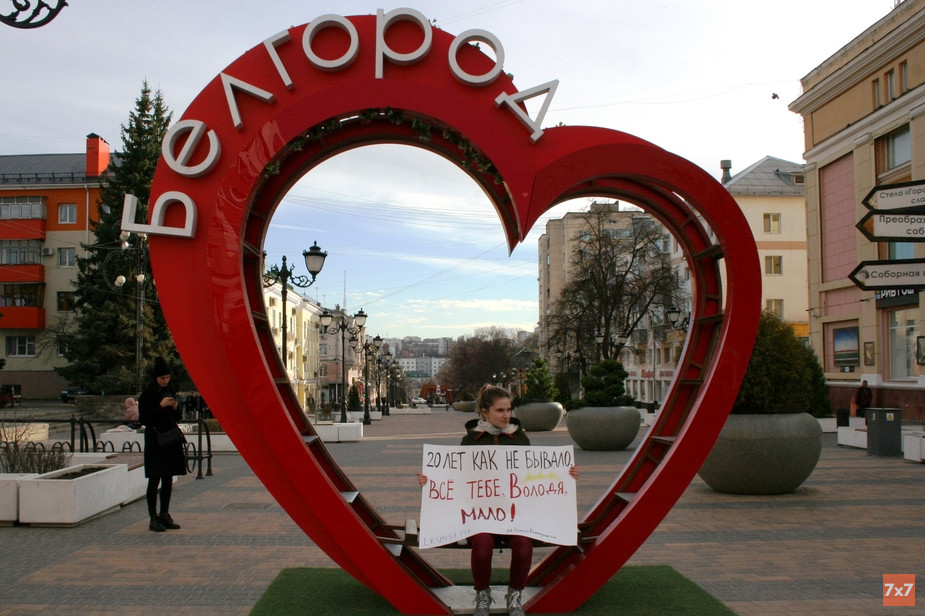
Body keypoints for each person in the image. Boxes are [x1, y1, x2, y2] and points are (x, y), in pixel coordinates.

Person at [417, 384, 578, 616]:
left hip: (516, 514)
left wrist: (565, 474)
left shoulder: (520, 438)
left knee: (523, 546)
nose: (506, 415)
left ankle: (515, 597)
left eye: (509, 409)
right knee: (482, 545)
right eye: (500, 410)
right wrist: (431, 479)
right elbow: (457, 475)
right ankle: (482, 597)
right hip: (480, 515)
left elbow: (534, 474)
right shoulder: (471, 441)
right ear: (485, 412)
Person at [139, 356, 187, 532]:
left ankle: (164, 513)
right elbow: (144, 419)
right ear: (156, 377)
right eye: (162, 378)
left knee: (168, 477)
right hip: (155, 440)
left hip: (170, 439)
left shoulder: (169, 390)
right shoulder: (148, 394)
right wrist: (159, 406)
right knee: (154, 478)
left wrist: (175, 408)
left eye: (167, 377)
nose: (165, 381)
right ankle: (153, 517)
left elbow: (177, 417)